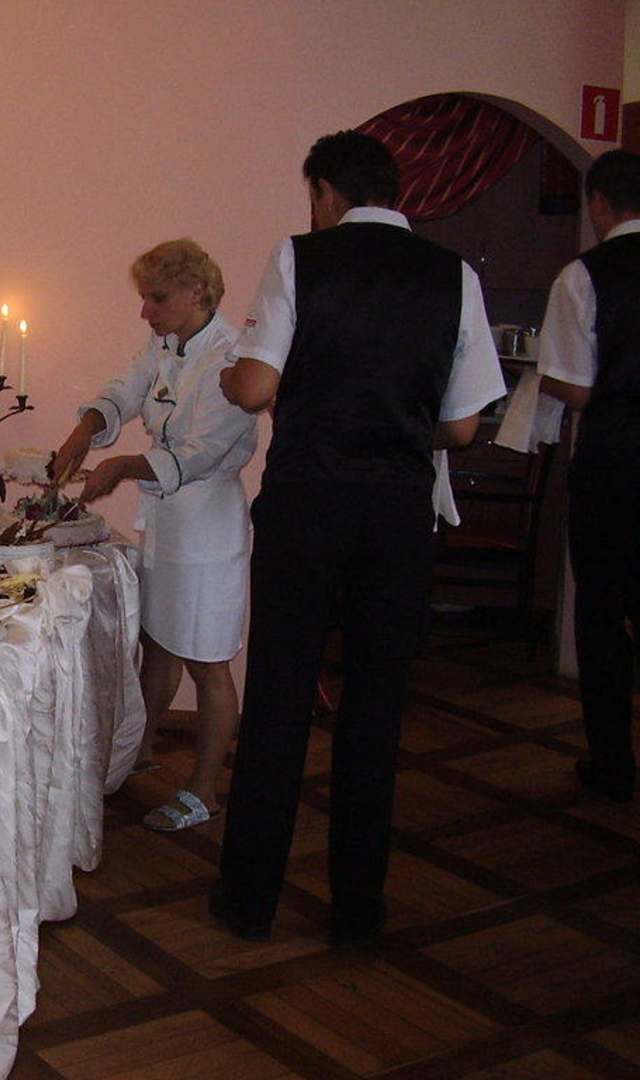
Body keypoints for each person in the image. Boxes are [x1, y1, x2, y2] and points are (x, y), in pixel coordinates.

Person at [214, 131, 506, 946]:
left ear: (325, 192)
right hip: (396, 514)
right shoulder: (454, 274)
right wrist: (397, 423)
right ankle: (356, 910)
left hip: (308, 503)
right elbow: (463, 424)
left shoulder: (300, 257)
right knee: (376, 708)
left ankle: (249, 903)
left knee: (280, 699)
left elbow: (256, 386)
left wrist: (231, 375)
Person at [51, 239, 258, 831]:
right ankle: (137, 752)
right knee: (159, 642)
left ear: (197, 292)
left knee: (208, 662)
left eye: (157, 298)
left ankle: (203, 790)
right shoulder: (166, 343)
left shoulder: (232, 359)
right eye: (144, 298)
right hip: (166, 525)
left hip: (209, 530)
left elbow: (198, 453)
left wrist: (121, 466)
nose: (146, 311)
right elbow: (126, 388)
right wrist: (85, 430)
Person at [536, 149, 640, 805]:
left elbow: (573, 387)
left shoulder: (583, 276)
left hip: (615, 463)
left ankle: (612, 765)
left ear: (599, 203)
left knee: (603, 614)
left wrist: (546, 382)